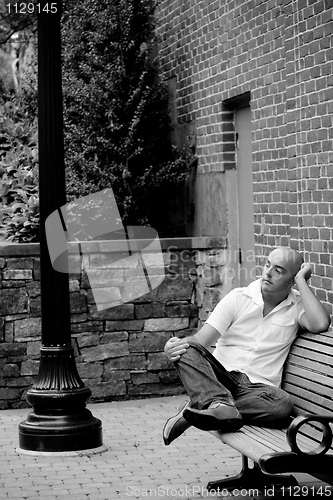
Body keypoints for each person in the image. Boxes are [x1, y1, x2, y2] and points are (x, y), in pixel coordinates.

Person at [163, 246, 331, 445]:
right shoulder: (238, 298)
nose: (267, 273)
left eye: (278, 270)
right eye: (267, 265)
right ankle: (214, 403)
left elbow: (320, 324)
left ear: (292, 279)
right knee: (188, 349)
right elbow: (201, 341)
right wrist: (172, 348)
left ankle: (202, 407)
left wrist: (302, 281)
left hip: (258, 390)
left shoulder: (297, 307)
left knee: (282, 405)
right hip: (222, 377)